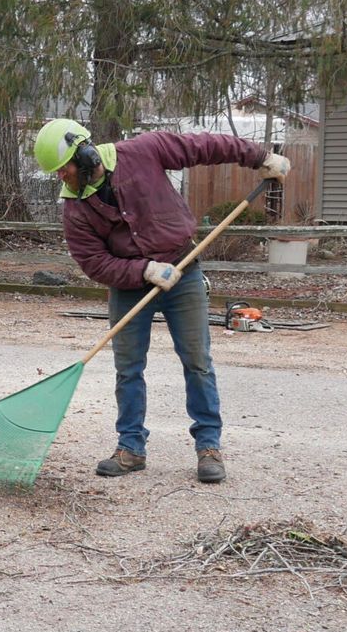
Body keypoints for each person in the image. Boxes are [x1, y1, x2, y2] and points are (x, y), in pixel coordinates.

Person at [32, 118, 289, 484]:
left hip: (183, 270)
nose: (62, 178)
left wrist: (260, 157)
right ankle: (131, 448)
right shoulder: (76, 208)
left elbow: (204, 146)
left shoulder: (142, 152)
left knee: (197, 361)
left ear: (86, 155)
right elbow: (94, 263)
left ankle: (209, 447)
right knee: (129, 368)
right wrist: (144, 271)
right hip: (130, 284)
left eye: (64, 169)